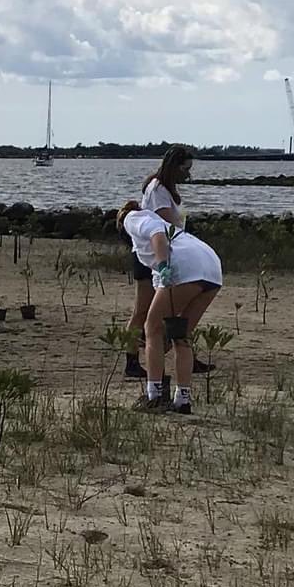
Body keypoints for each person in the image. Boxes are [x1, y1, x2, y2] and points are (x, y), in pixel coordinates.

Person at [117, 200, 223, 414]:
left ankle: (154, 395)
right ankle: (182, 400)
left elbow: (157, 234)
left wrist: (164, 265)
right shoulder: (159, 231)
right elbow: (158, 279)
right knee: (180, 335)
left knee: (152, 328)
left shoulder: (132, 218)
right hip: (212, 267)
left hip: (185, 266)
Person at [123, 145, 211, 378]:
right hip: (152, 255)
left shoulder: (168, 189)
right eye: (185, 169)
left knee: (171, 310)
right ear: (174, 166)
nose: (188, 174)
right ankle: (132, 360)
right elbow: (164, 225)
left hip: (170, 252)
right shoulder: (157, 189)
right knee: (143, 310)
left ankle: (183, 355)